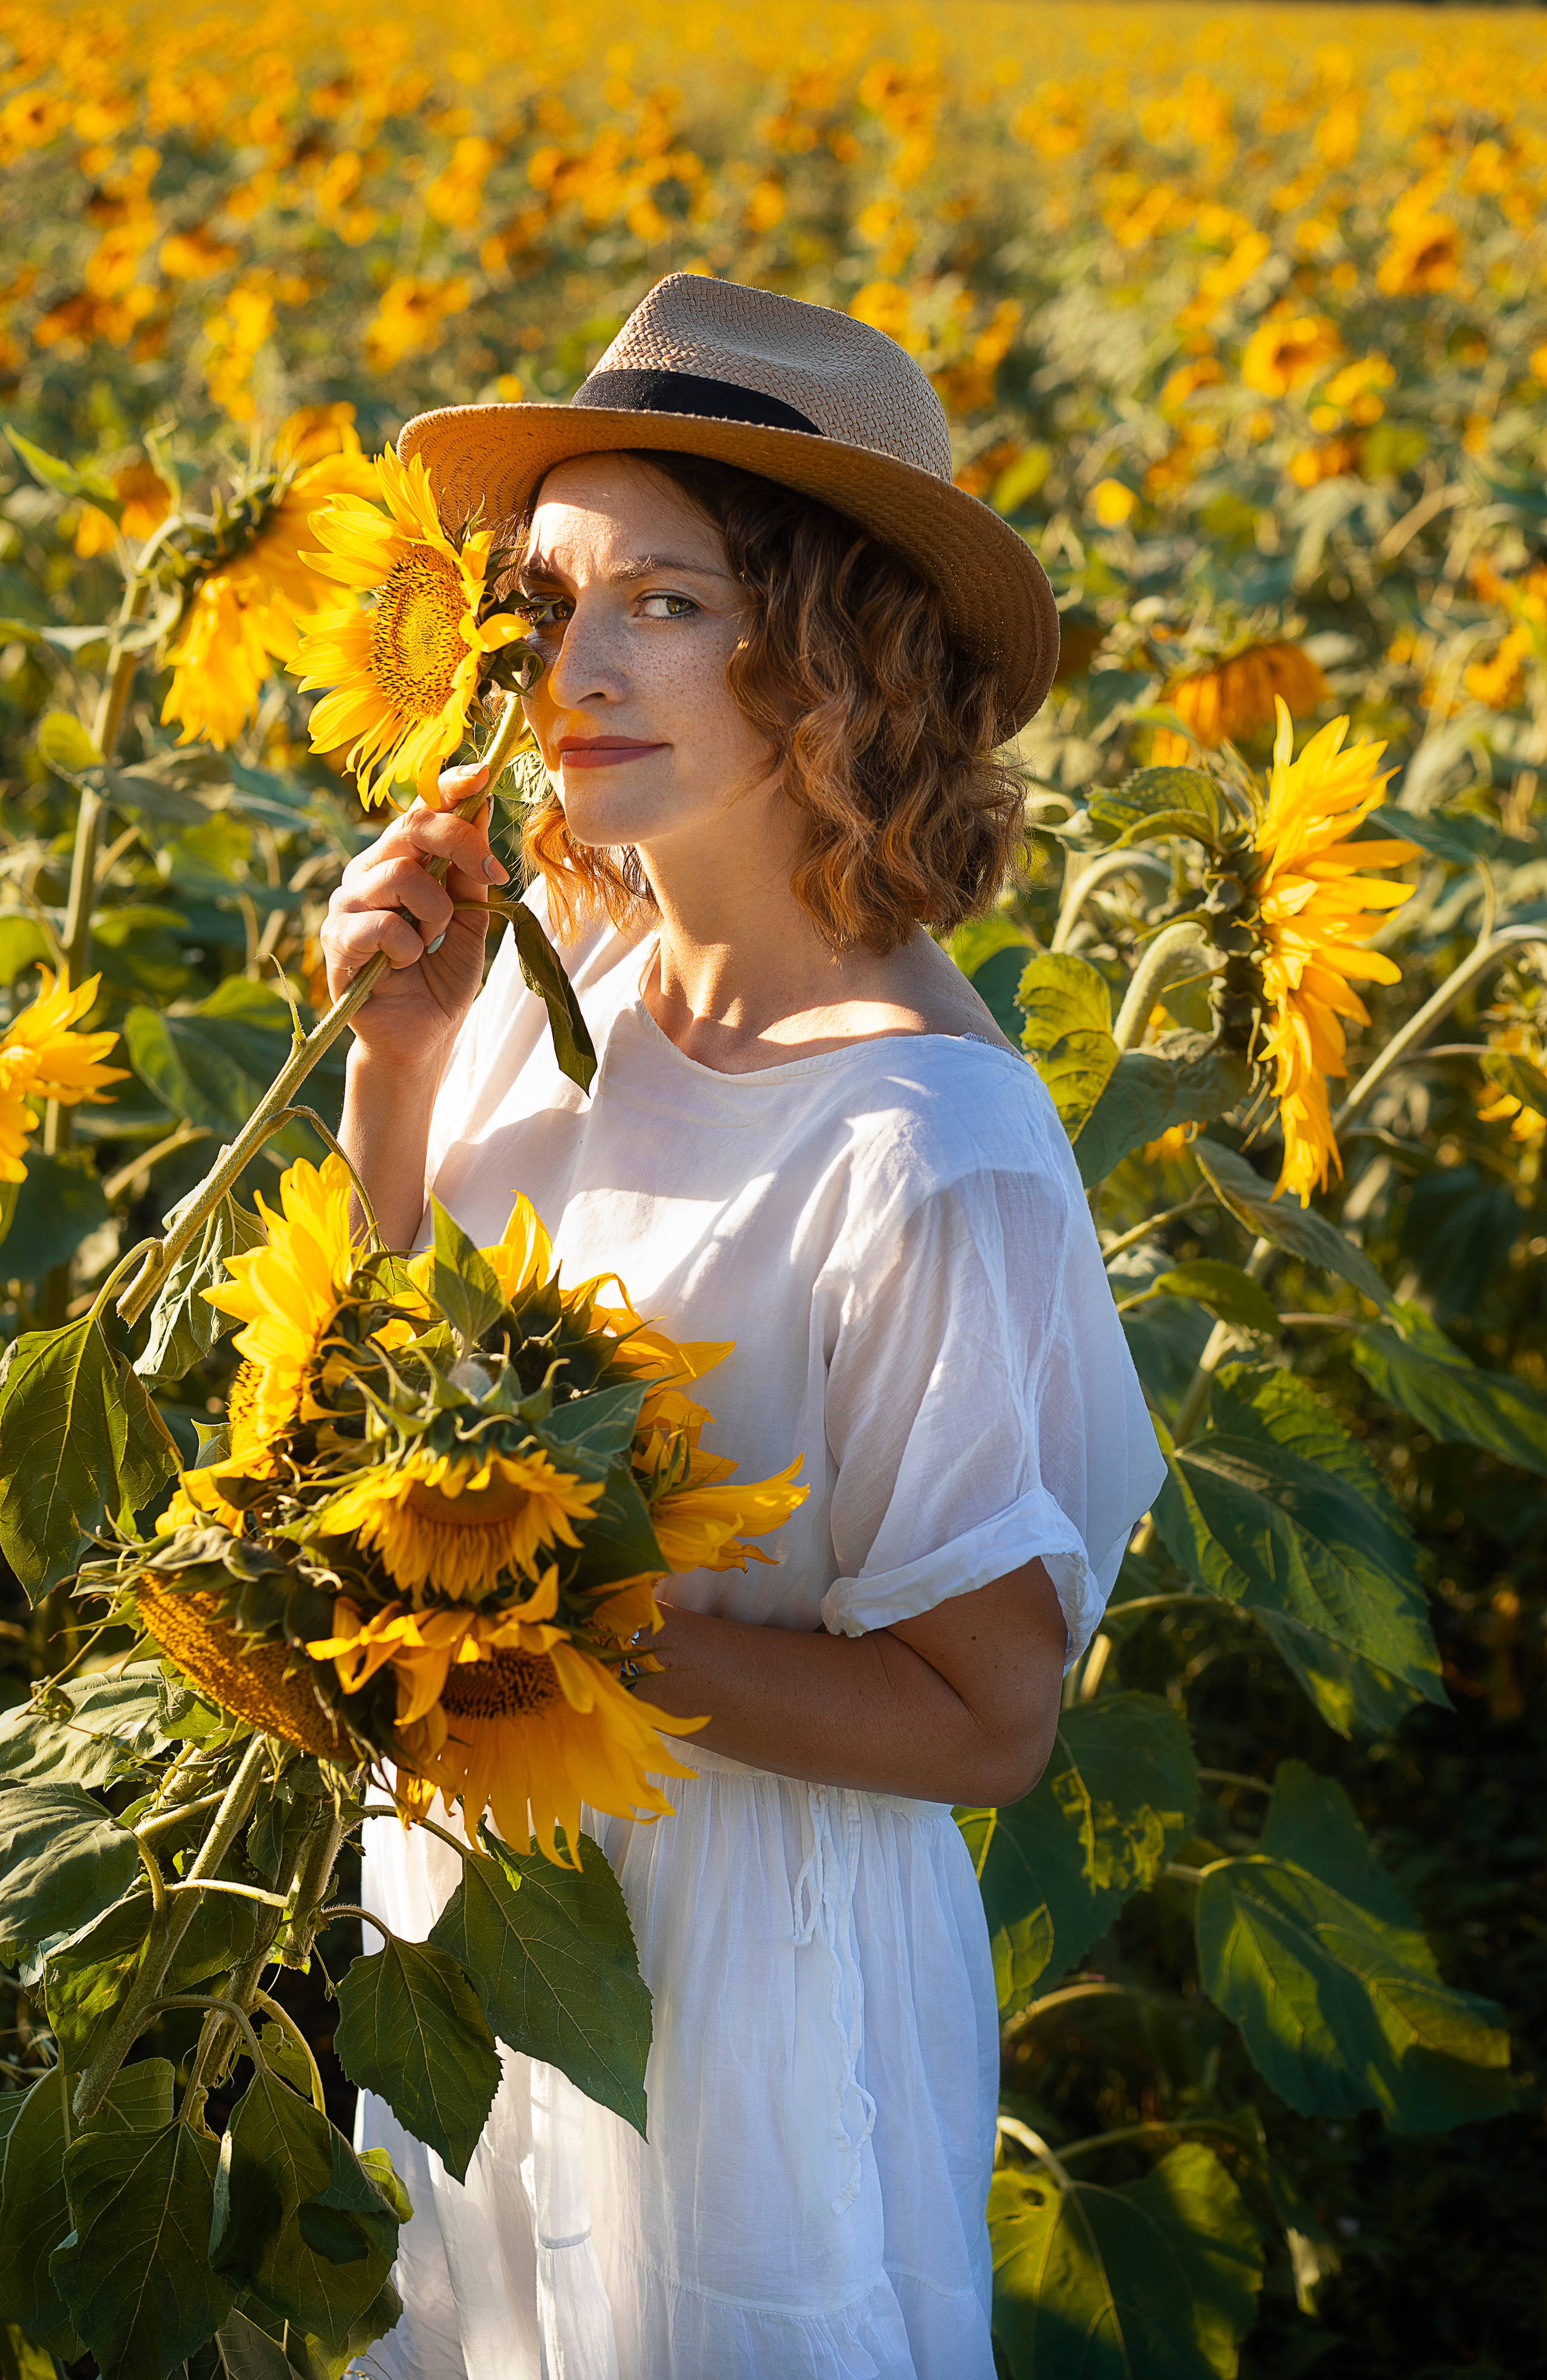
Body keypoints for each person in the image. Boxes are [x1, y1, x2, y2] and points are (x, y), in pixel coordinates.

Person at [325, 274, 1164, 2380]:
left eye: (670, 606)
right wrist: (392, 1082)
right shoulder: (546, 986)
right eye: (550, 599)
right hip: (481, 1905)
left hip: (745, 1978)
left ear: (838, 654)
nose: (573, 667)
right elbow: (380, 1404)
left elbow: (988, 1715)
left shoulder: (925, 1136)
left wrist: (552, 1637)